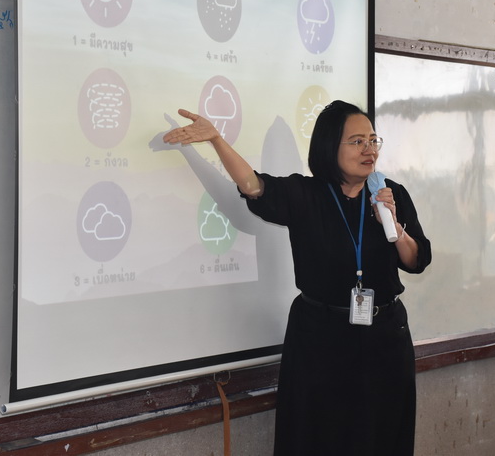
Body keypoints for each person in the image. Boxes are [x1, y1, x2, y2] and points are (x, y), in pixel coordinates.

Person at [162, 100, 432, 456]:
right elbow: (252, 185)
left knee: (381, 437)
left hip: (384, 339)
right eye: (357, 142)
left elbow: (417, 260)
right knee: (317, 438)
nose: (369, 150)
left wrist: (394, 225)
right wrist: (216, 139)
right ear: (329, 147)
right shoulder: (307, 194)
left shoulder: (389, 194)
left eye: (372, 140)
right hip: (320, 339)